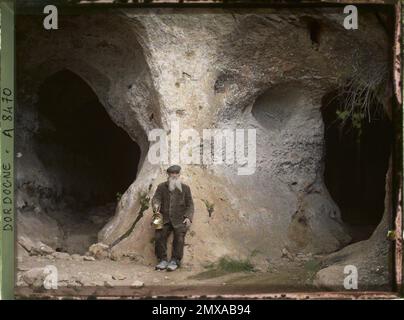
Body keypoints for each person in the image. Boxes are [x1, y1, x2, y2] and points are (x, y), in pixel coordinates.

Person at [151, 165, 194, 271]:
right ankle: (162, 260)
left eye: (176, 174)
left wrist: (188, 217)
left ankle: (175, 261)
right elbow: (156, 198)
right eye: (172, 174)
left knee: (179, 238)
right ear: (168, 175)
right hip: (163, 217)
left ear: (179, 174)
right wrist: (156, 205)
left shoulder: (185, 188)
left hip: (180, 218)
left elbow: (190, 205)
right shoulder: (161, 187)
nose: (174, 176)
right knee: (158, 236)